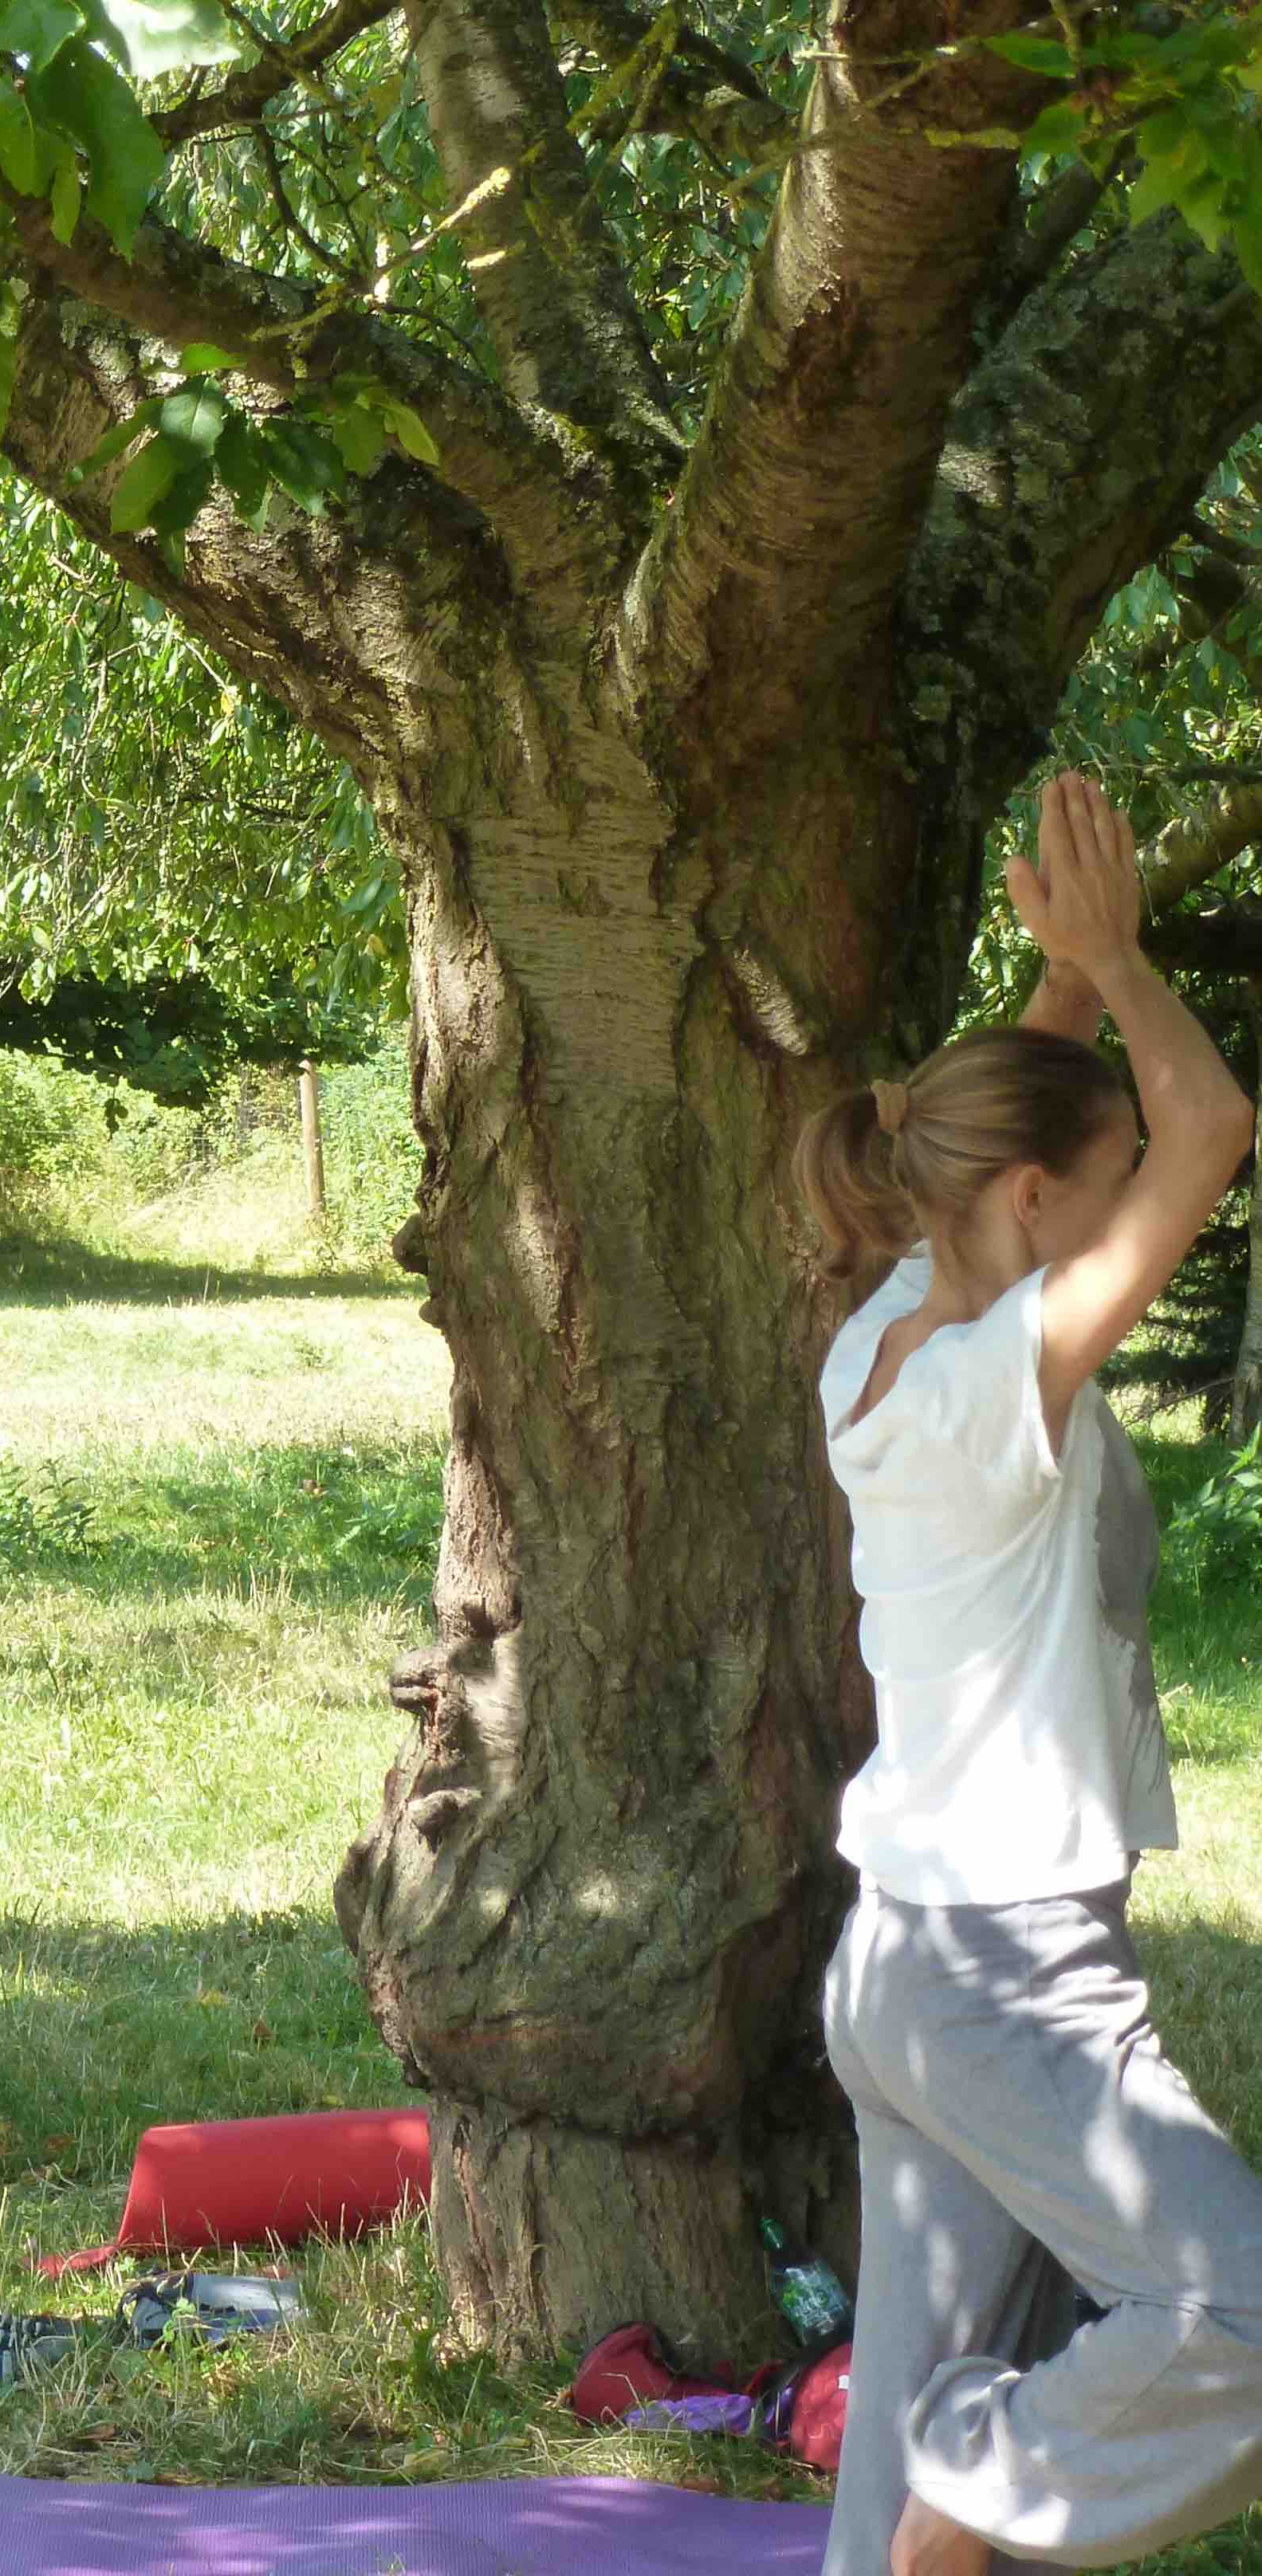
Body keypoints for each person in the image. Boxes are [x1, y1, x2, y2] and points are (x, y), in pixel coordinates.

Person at [796, 771, 1262, 2576]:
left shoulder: (884, 1335)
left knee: (896, 2441)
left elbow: (1006, 1125)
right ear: (1026, 1195)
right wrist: (1123, 964)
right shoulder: (1001, 1386)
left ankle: (930, 2497)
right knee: (1235, 2316)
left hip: (900, 1961)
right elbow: (1209, 1123)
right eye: (1098, 1191)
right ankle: (979, 2483)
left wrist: (1058, 980)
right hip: (1002, 1975)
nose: (1126, 1214)